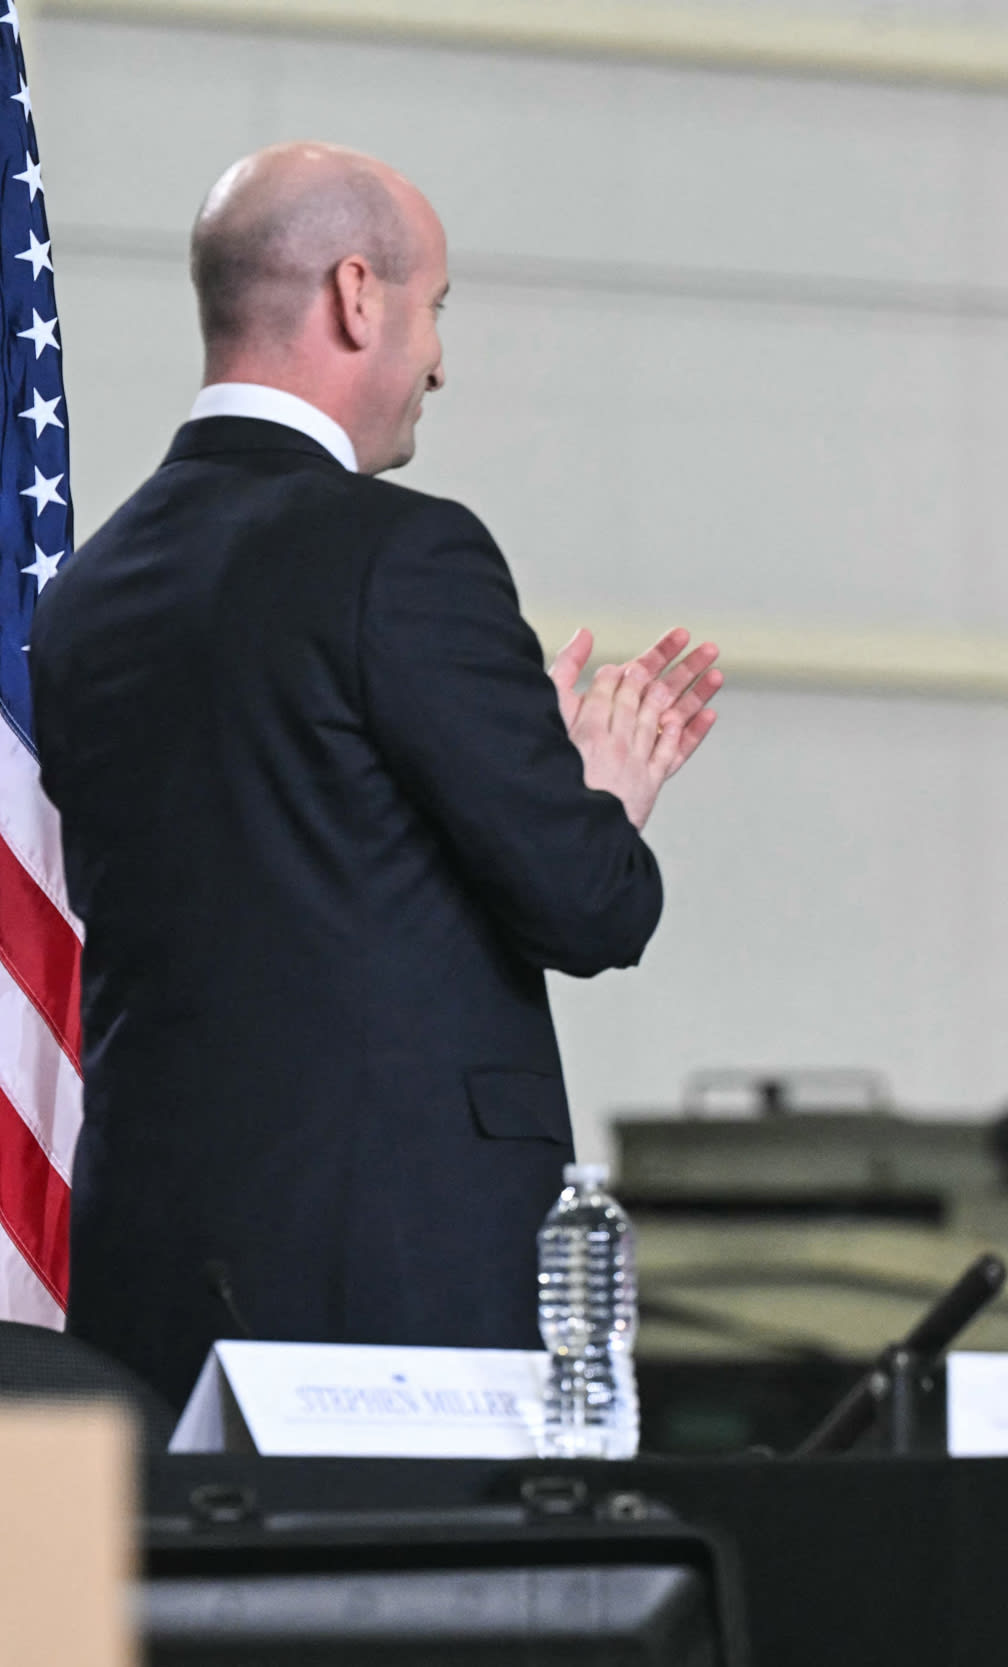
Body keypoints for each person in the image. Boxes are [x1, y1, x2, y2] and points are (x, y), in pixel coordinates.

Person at [30, 143, 724, 1410]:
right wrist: (600, 790)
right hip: (393, 1296)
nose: (441, 361)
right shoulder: (404, 554)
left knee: (177, 1610)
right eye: (435, 308)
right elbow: (589, 903)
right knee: (409, 1610)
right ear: (359, 295)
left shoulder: (87, 593)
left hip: (147, 1267)